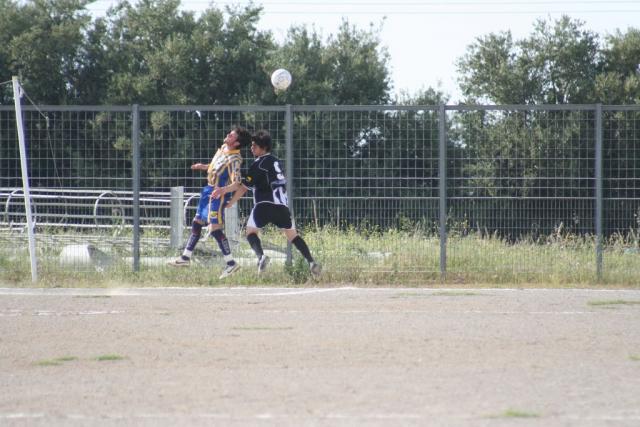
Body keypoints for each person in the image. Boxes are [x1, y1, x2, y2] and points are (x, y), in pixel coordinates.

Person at [213, 130, 321, 278]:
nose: (252, 148)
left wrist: (230, 202)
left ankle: (261, 257)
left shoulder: (258, 164)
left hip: (263, 205)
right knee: (293, 236)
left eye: (255, 146)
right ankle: (311, 262)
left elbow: (244, 187)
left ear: (263, 148)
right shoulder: (276, 161)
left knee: (250, 232)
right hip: (282, 207)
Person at [168, 126, 251, 279]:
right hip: (208, 191)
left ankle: (231, 263)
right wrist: (204, 167)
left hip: (218, 194)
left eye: (231, 135)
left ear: (237, 143)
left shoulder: (235, 159)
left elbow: (237, 184)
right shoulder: (223, 148)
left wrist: (222, 191)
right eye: (229, 133)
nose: (228, 135)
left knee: (214, 229)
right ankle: (185, 258)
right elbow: (216, 167)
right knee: (197, 222)